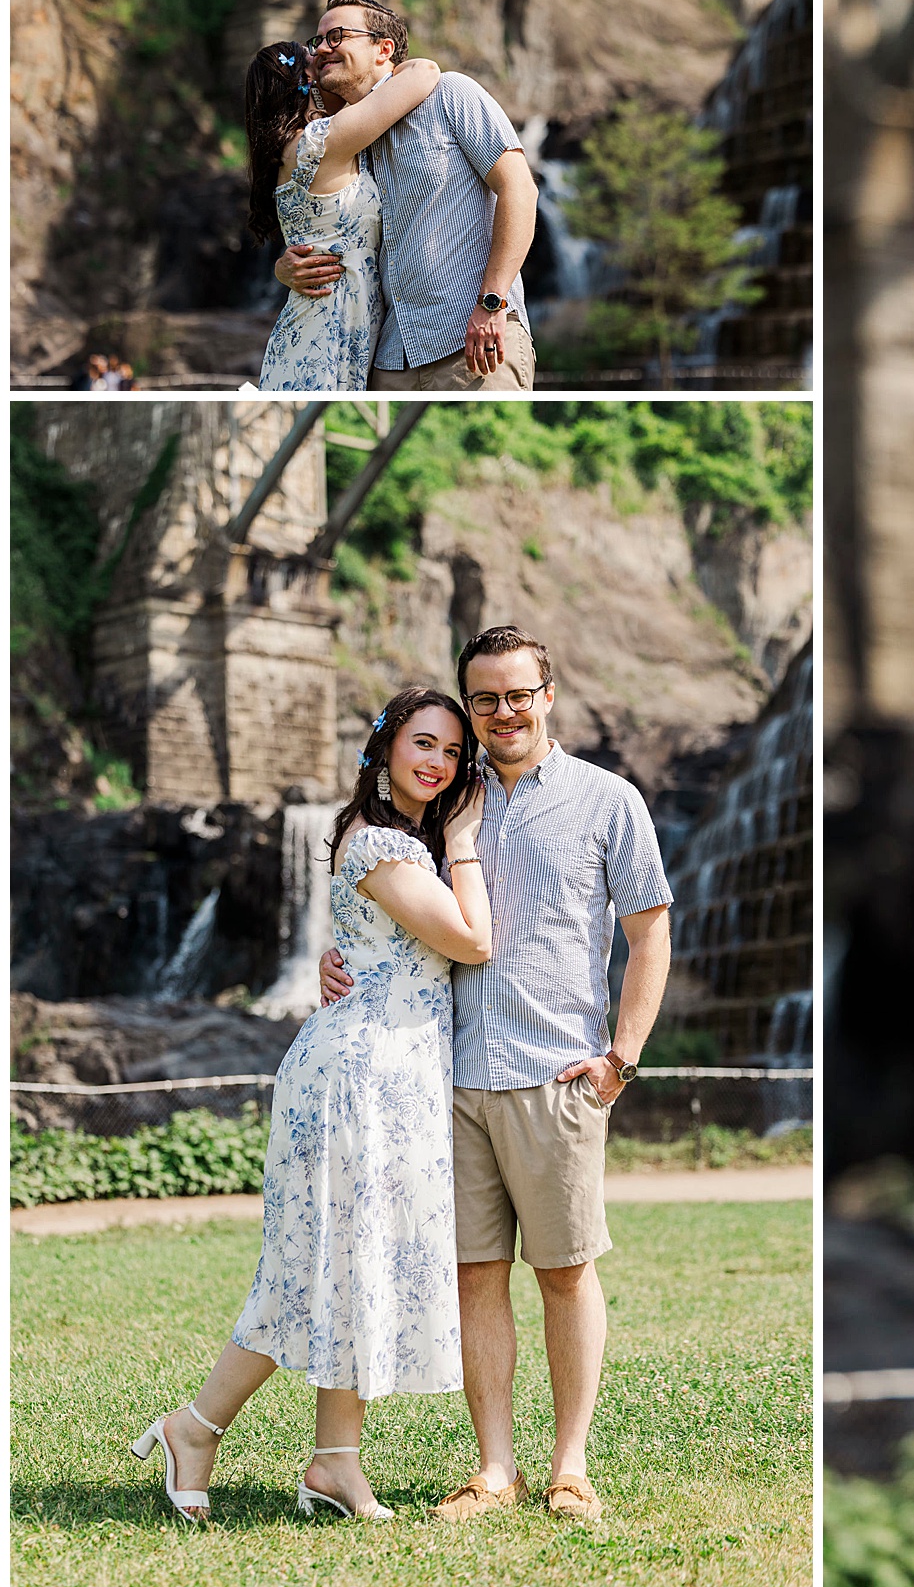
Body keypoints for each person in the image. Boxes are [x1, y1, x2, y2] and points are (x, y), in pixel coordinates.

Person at [319, 626, 674, 1523]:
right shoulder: (442, 800)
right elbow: (393, 906)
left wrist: (621, 1057)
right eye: (484, 699)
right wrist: (341, 956)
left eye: (518, 694)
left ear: (549, 693)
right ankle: (494, 1468)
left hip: (558, 1078)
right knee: (477, 1276)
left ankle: (571, 1465)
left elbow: (649, 933)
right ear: (468, 708)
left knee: (564, 1272)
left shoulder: (609, 800)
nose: (501, 712)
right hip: (446, 1078)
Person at [131, 689, 490, 1523]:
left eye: (451, 753)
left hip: (395, 1076)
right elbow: (473, 941)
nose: (438, 763)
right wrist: (467, 839)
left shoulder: (400, 841)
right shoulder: (380, 843)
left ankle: (334, 1462)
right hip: (354, 1079)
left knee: (353, 1266)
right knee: (306, 1270)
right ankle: (196, 1425)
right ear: (384, 749)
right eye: (423, 744)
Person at [275, 0, 538, 390]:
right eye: (318, 41)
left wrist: (493, 302)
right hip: (387, 358)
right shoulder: (345, 139)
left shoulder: (451, 93)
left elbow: (519, 189)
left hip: (471, 340)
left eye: (337, 36)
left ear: (384, 48)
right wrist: (284, 268)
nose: (322, 49)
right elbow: (331, 227)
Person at [245, 34, 441, 391]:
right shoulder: (320, 142)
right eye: (321, 70)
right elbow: (424, 71)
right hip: (326, 329)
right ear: (309, 87)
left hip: (334, 319)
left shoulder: (298, 146)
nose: (330, 72)